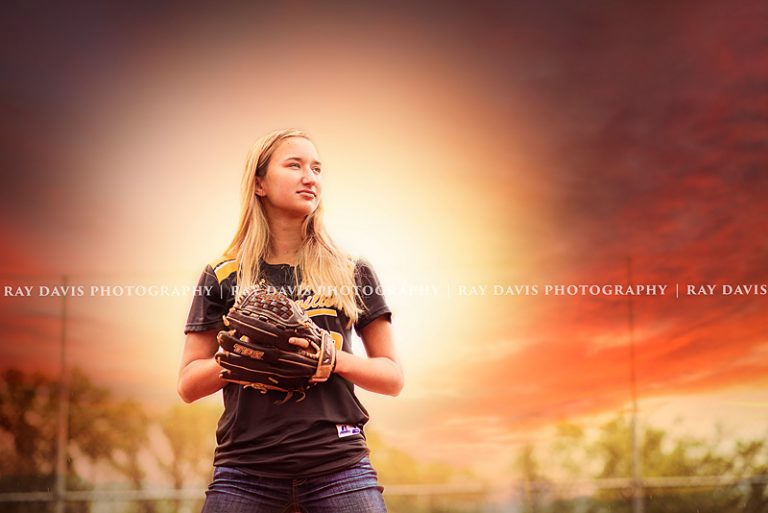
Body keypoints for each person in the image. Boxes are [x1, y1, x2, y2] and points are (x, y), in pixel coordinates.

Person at [178, 128, 403, 513]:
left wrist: (333, 360)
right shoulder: (222, 274)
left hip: (339, 466)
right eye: (295, 165)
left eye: (317, 168)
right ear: (260, 183)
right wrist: (240, 358)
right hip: (245, 469)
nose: (310, 177)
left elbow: (392, 377)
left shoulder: (352, 271)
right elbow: (187, 384)